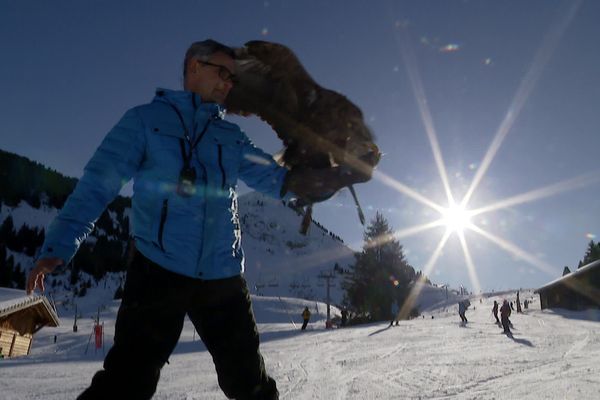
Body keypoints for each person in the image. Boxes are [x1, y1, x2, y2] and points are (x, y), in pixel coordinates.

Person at [26, 39, 330, 400]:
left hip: (222, 274)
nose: (229, 83)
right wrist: (58, 247)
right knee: (128, 382)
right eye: (222, 72)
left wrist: (323, 174)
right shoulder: (145, 121)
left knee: (250, 383)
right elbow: (96, 185)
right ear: (193, 67)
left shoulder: (229, 136)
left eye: (233, 78)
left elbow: (277, 181)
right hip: (158, 270)